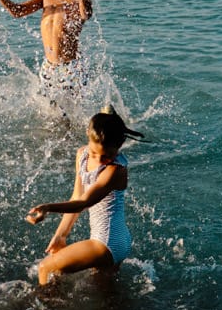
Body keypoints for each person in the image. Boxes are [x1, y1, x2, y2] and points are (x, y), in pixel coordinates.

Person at [27, 107, 141, 286]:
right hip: (116, 240)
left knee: (45, 268)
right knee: (105, 294)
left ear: (119, 146)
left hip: (107, 241)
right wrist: (60, 235)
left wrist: (48, 207)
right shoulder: (82, 155)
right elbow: (76, 196)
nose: (100, 159)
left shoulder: (115, 170)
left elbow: (84, 202)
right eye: (95, 153)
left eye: (108, 155)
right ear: (88, 135)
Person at [0, 0, 93, 105]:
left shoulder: (77, 0)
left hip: (71, 68)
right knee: (50, 116)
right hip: (48, 68)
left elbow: (86, 14)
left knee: (71, 119)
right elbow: (18, 12)